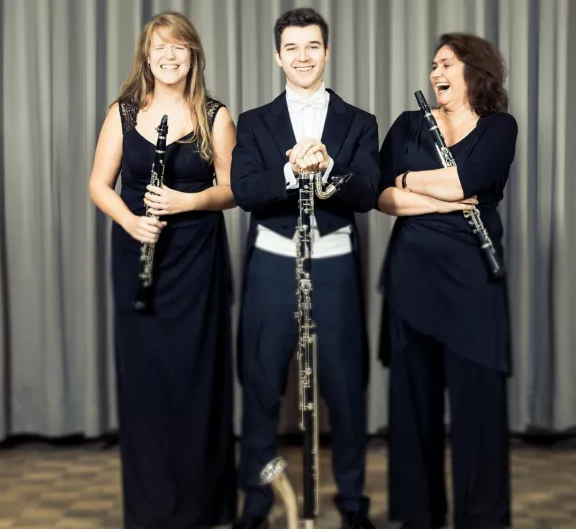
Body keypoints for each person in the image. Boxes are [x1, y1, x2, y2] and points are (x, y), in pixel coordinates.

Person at [230, 7, 380, 529]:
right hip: (273, 266)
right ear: (277, 56)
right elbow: (245, 192)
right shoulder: (253, 122)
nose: (302, 56)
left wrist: (330, 167)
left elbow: (369, 193)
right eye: (291, 48)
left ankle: (352, 503)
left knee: (345, 387)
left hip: (334, 266)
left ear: (327, 52)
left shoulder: (360, 122)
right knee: (261, 384)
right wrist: (292, 171)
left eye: (312, 46)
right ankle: (257, 501)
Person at [88, 11, 238, 529]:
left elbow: (233, 190)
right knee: (145, 382)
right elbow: (99, 184)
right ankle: (152, 508)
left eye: (178, 47)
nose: (169, 56)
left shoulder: (216, 115)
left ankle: (201, 507)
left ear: (192, 54)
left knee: (195, 378)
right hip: (138, 253)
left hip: (196, 261)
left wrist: (187, 201)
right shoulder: (123, 112)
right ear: (146, 56)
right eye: (159, 47)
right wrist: (131, 222)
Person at [376, 33, 518, 529]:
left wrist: (409, 180)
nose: (436, 73)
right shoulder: (408, 124)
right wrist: (435, 200)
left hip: (473, 278)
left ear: (475, 71)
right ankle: (419, 516)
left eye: (447, 64)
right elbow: (381, 196)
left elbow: (467, 181)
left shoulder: (499, 126)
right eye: (434, 65)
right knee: (413, 405)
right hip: (411, 277)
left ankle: (483, 519)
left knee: (479, 406)